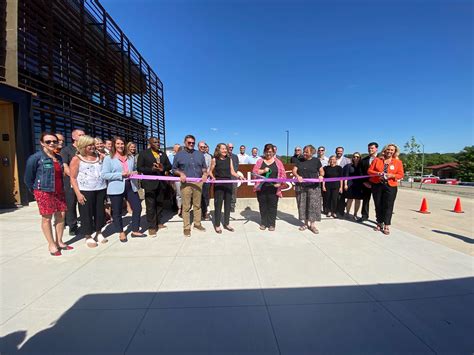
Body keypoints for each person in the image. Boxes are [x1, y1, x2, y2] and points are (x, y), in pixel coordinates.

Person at [24, 133, 69, 256]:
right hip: (44, 191)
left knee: (61, 216)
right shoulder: (36, 158)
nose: (52, 143)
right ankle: (51, 244)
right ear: (42, 143)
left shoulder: (58, 158)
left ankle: (59, 241)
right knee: (47, 218)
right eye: (48, 141)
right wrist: (35, 192)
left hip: (59, 191)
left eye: (54, 141)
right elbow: (28, 178)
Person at [101, 136, 144, 242]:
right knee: (117, 212)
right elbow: (104, 175)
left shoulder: (130, 157)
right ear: (114, 145)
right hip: (116, 187)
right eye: (118, 144)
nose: (120, 146)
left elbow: (133, 170)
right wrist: (120, 174)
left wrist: (135, 173)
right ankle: (121, 232)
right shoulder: (108, 158)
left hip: (131, 186)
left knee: (138, 207)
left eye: (122, 144)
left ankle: (135, 230)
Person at [69, 135, 108, 247]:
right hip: (85, 190)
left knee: (99, 212)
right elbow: (72, 177)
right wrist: (78, 194)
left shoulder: (99, 156)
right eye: (88, 145)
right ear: (82, 146)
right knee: (86, 213)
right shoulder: (77, 159)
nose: (92, 147)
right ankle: (88, 235)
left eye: (92, 144)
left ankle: (99, 232)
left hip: (100, 189)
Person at [172, 134, 208, 237]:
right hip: (186, 184)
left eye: (193, 143)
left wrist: (205, 173)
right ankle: (186, 227)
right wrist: (181, 173)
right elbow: (174, 169)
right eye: (189, 142)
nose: (191, 144)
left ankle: (197, 224)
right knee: (186, 207)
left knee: (197, 205)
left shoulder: (199, 154)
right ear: (185, 142)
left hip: (198, 183)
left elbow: (204, 167)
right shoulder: (179, 155)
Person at [137, 137, 172, 237]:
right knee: (150, 205)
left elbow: (169, 166)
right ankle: (152, 227)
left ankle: (158, 222)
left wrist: (163, 168)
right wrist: (151, 169)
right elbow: (139, 168)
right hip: (149, 184)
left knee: (160, 204)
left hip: (161, 183)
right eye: (155, 142)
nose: (158, 144)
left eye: (158, 142)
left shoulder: (162, 154)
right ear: (150, 143)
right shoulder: (143, 154)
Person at [367, 143, 404, 235]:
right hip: (377, 185)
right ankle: (379, 223)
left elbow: (401, 174)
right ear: (384, 150)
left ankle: (387, 224)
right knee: (378, 204)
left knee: (388, 206)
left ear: (394, 152)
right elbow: (369, 171)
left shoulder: (397, 162)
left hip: (390, 186)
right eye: (388, 149)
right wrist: (377, 173)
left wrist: (392, 175)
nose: (390, 151)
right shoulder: (377, 160)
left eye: (392, 150)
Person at [209, 143, 243, 233]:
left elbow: (232, 172)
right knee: (218, 205)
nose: (225, 150)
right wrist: (213, 177)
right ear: (218, 150)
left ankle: (227, 224)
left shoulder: (229, 159)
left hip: (228, 184)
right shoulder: (214, 159)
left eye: (225, 149)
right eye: (223, 149)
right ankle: (217, 225)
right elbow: (210, 172)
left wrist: (239, 176)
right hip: (219, 185)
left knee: (228, 205)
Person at [252, 143, 286, 231]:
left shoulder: (278, 162)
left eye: (270, 152)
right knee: (262, 205)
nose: (268, 153)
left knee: (272, 206)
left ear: (273, 152)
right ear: (264, 152)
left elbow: (283, 175)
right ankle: (263, 222)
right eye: (267, 152)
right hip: (261, 188)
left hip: (274, 188)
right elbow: (254, 173)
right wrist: (263, 170)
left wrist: (280, 184)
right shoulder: (260, 161)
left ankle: (271, 224)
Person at [292, 145, 324, 234]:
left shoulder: (316, 161)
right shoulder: (299, 160)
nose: (304, 153)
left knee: (313, 205)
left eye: (307, 152)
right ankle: (305, 224)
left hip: (314, 187)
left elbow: (321, 171)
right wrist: (297, 176)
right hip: (301, 187)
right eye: (304, 151)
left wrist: (321, 176)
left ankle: (312, 225)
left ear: (312, 153)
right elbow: (294, 170)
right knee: (303, 205)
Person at [61, 129, 85, 236]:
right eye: (80, 135)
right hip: (71, 182)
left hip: (85, 182)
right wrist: (73, 177)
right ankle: (73, 226)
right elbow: (64, 165)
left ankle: (86, 224)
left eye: (84, 135)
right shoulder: (67, 150)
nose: (82, 136)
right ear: (73, 137)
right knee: (71, 204)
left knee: (84, 203)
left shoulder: (86, 149)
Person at [358, 142, 379, 222]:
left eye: (372, 148)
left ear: (376, 149)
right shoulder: (364, 160)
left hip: (378, 184)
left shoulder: (381, 159)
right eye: (369, 148)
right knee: (365, 200)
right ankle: (364, 216)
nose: (370, 149)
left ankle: (379, 219)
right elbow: (361, 172)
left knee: (378, 202)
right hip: (366, 184)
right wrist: (364, 182)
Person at [343, 152, 364, 220]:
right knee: (350, 200)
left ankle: (355, 214)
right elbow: (346, 176)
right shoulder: (349, 166)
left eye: (357, 157)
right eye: (354, 156)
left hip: (359, 185)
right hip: (350, 185)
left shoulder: (362, 166)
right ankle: (347, 212)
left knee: (358, 200)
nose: (356, 158)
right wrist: (345, 184)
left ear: (360, 158)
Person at [335, 146, 351, 217]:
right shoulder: (332, 159)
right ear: (336, 151)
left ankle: (341, 211)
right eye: (338, 151)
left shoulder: (347, 160)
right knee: (335, 196)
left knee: (342, 197)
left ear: (343, 152)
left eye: (341, 151)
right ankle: (334, 210)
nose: (339, 152)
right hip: (333, 181)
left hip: (343, 181)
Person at [198, 141, 212, 221]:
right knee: (198, 196)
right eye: (201, 147)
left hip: (206, 179)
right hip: (197, 179)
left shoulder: (208, 156)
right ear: (198, 147)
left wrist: (206, 175)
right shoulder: (195, 155)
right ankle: (198, 213)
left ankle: (205, 212)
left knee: (206, 196)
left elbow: (209, 167)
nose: (203, 148)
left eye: (204, 147)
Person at [168, 143, 182, 214]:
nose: (179, 149)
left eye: (179, 148)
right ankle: (174, 207)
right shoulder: (170, 157)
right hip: (173, 177)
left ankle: (180, 207)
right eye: (177, 148)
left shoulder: (183, 156)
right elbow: (170, 167)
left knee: (180, 193)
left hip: (181, 177)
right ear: (174, 149)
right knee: (174, 192)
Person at [227, 143, 239, 212]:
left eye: (232, 147)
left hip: (233, 177)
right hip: (226, 177)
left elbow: (236, 166)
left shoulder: (235, 156)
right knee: (227, 192)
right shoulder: (224, 156)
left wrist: (233, 173)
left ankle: (232, 206)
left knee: (234, 192)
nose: (231, 149)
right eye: (229, 147)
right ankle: (227, 205)